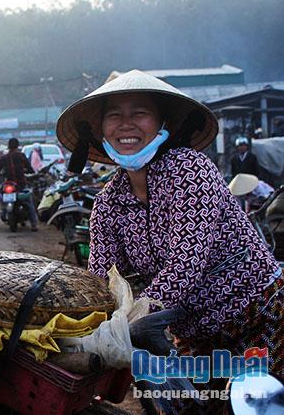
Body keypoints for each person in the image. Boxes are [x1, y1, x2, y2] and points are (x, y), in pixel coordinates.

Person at [56, 70, 282, 414]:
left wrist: (133, 318)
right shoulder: (107, 204)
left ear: (162, 122)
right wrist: (77, 325)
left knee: (259, 406)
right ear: (99, 130)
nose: (126, 124)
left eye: (139, 113)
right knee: (185, 407)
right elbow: (101, 282)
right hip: (192, 337)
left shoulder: (190, 170)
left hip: (257, 317)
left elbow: (185, 262)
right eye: (114, 115)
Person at [0, 138, 38, 231]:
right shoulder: (21, 156)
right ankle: (34, 224)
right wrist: (27, 171)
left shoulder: (4, 157)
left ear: (8, 146)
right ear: (17, 146)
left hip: (8, 184)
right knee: (29, 203)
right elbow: (30, 169)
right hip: (20, 184)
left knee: (0, 198)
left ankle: (4, 210)